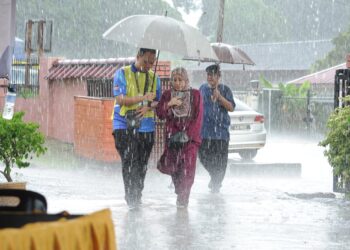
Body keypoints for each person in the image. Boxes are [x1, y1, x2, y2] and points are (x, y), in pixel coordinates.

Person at [112, 48, 161, 209]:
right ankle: (131, 197)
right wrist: (142, 98)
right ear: (137, 56)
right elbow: (120, 100)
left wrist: (148, 107)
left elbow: (158, 102)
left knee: (142, 164)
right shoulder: (122, 73)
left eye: (152, 62)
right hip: (124, 125)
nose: (148, 65)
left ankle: (137, 194)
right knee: (130, 161)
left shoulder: (155, 78)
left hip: (146, 128)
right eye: (145, 61)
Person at [156, 67, 203, 208]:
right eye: (174, 80)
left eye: (180, 80)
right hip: (172, 139)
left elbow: (198, 117)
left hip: (190, 140)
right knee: (175, 169)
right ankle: (180, 191)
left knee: (188, 170)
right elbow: (160, 113)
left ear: (186, 80)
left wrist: (188, 134)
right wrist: (170, 104)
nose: (177, 83)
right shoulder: (167, 95)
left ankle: (184, 198)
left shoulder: (195, 95)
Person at [198, 64, 235, 193]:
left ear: (219, 76)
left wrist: (220, 97)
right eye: (208, 75)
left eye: (213, 75)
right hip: (204, 133)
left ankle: (215, 187)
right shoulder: (202, 89)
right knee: (203, 157)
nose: (210, 77)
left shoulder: (225, 89)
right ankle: (215, 178)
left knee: (221, 163)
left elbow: (231, 107)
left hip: (221, 134)